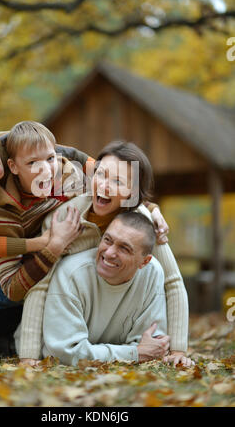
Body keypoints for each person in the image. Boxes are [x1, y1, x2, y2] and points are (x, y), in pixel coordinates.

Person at [15, 141, 192, 367]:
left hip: (99, 321)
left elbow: (173, 282)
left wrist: (178, 349)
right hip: (57, 315)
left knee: (153, 270)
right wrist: (28, 354)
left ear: (132, 192)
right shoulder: (64, 219)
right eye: (101, 174)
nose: (105, 186)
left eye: (117, 181)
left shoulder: (143, 224)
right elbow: (40, 284)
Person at [0, 118, 94, 331]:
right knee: (8, 294)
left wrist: (113, 179)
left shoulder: (12, 141)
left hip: (29, 222)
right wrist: (40, 243)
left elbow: (71, 155)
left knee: (3, 311)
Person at [42, 212, 170, 365]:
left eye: (124, 248)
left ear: (144, 262)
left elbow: (151, 346)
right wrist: (133, 353)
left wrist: (140, 351)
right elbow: (64, 352)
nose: (109, 253)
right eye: (107, 240)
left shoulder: (152, 273)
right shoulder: (71, 274)